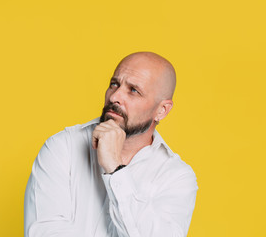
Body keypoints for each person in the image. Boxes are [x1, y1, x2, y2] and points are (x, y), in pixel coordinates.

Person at [24, 52, 198, 237]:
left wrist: (115, 169)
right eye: (114, 84)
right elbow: (43, 232)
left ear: (162, 110)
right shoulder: (63, 147)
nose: (115, 96)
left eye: (133, 90)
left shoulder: (176, 177)